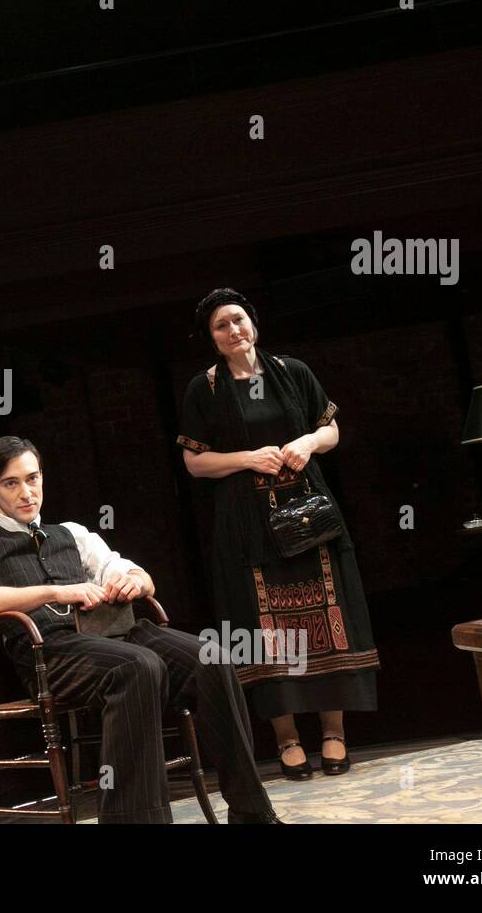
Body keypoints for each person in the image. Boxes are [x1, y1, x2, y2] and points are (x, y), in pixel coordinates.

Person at [0, 436, 281, 823]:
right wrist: (55, 592)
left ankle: (252, 813)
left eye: (32, 479)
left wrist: (133, 582)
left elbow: (138, 576)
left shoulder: (72, 533)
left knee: (211, 657)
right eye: (11, 483)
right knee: (138, 666)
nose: (26, 493)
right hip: (51, 652)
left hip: (118, 634)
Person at [178, 287, 379, 779]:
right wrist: (248, 458)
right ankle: (287, 740)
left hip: (308, 510)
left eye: (238, 320)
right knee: (264, 630)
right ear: (212, 338)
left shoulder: (292, 371)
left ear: (253, 323)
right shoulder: (204, 388)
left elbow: (330, 429)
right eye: (221, 326)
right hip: (248, 522)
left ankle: (334, 734)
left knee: (331, 614)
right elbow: (195, 462)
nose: (233, 330)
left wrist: (307, 442)